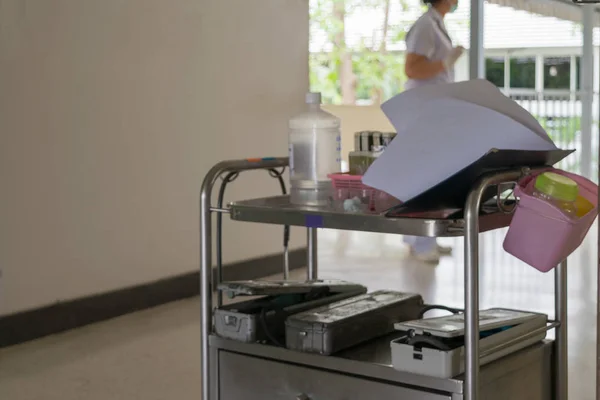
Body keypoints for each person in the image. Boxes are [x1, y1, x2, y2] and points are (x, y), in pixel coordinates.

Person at [402, 0, 465, 263]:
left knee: (431, 174)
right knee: (422, 175)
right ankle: (421, 242)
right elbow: (412, 68)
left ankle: (423, 238)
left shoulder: (435, 23)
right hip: (422, 107)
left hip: (432, 106)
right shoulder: (426, 25)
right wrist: (445, 62)